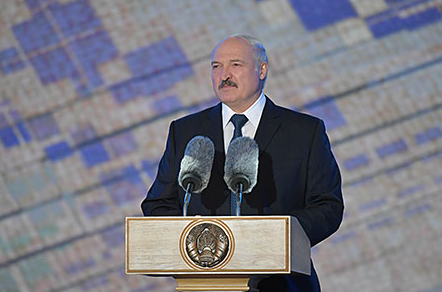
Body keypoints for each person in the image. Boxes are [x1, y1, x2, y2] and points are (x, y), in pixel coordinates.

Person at [141, 34, 344, 291]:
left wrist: (277, 237)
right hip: (204, 283)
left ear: (262, 70)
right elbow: (158, 204)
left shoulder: (304, 131)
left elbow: (327, 205)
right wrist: (195, 238)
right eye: (216, 66)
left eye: (235, 65)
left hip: (281, 284)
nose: (224, 74)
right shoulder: (185, 131)